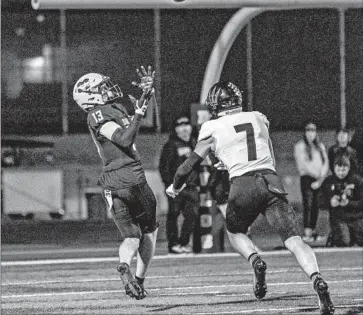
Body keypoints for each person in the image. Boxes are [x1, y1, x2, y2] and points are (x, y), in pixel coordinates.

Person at [166, 81, 334, 315]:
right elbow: (267, 153)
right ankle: (317, 278)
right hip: (270, 180)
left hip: (242, 184)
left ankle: (255, 259)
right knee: (295, 241)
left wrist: (174, 187)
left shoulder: (211, 127)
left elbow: (187, 167)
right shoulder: (257, 117)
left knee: (235, 232)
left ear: (216, 104)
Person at [73, 66, 159, 300]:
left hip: (112, 183)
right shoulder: (98, 114)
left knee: (131, 236)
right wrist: (139, 114)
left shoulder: (112, 109)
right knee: (150, 231)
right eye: (101, 88)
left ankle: (124, 265)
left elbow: (138, 125)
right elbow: (125, 138)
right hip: (130, 176)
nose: (108, 89)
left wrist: (146, 96)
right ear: (90, 95)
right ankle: (139, 280)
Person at [159, 116, 200, 254]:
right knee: (174, 215)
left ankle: (184, 243)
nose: (183, 128)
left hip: (192, 187)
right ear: (175, 129)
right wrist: (170, 185)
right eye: (179, 125)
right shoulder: (171, 145)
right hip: (176, 187)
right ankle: (173, 244)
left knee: (191, 215)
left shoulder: (195, 143)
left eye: (186, 124)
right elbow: (164, 167)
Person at [294, 122, 329, 242]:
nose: (310, 133)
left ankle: (313, 230)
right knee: (308, 204)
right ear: (305, 132)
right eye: (308, 130)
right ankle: (307, 231)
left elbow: (325, 163)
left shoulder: (320, 146)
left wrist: (320, 178)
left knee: (316, 204)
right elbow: (303, 164)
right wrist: (316, 177)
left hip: (319, 179)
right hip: (307, 178)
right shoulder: (300, 146)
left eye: (313, 130)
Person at [322, 155, 363, 247]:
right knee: (343, 242)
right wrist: (331, 202)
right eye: (338, 170)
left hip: (357, 218)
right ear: (334, 169)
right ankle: (335, 236)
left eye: (343, 170)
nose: (341, 173)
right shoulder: (328, 181)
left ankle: (354, 235)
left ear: (348, 168)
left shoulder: (357, 181)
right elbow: (320, 201)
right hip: (339, 219)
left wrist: (349, 203)